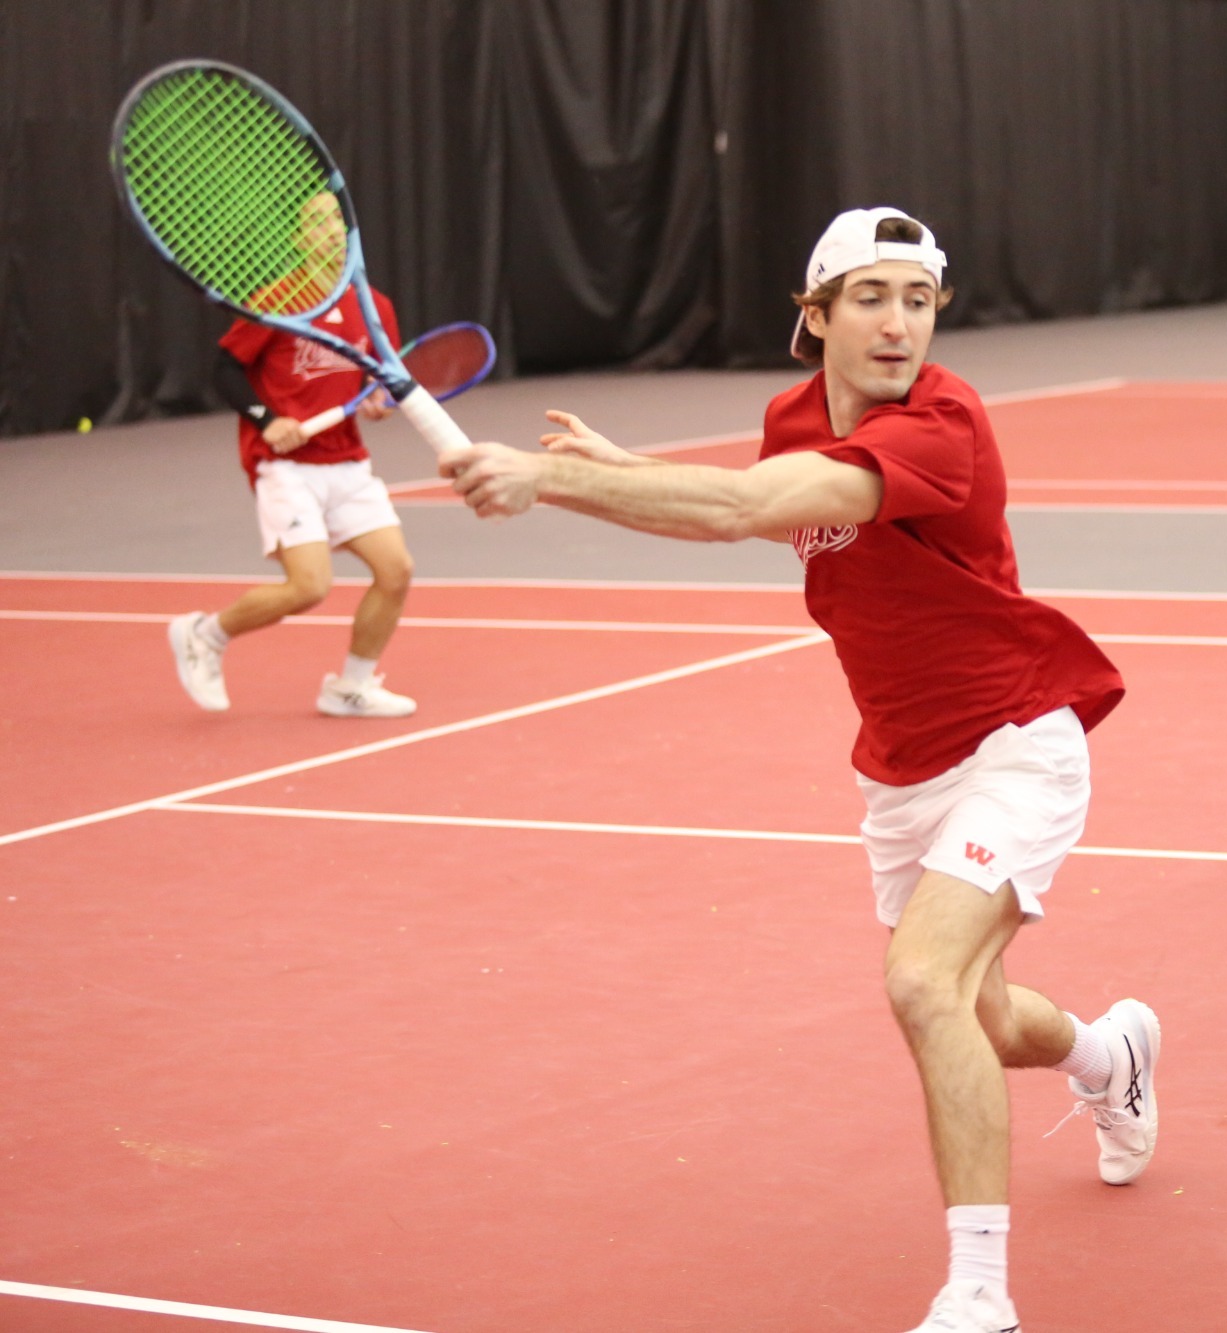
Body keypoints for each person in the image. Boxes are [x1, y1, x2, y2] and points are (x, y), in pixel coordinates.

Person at [441, 207, 1160, 1333]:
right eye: (870, 297)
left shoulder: (944, 422)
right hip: (902, 767)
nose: (897, 323)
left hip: (1016, 738)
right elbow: (759, 514)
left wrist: (545, 480)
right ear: (813, 316)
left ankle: (980, 1297)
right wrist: (613, 471)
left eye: (917, 299)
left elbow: (745, 507)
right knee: (976, 1012)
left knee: (920, 985)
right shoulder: (791, 414)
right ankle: (1108, 1052)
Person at [169, 192, 420, 716]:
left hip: (348, 464)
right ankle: (204, 635)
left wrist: (379, 401)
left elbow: (383, 382)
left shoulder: (374, 307)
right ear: (299, 238)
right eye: (316, 221)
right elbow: (225, 370)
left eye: (337, 220)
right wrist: (268, 418)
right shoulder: (278, 299)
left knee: (395, 571)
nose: (329, 230)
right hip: (286, 468)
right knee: (309, 587)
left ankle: (350, 686)